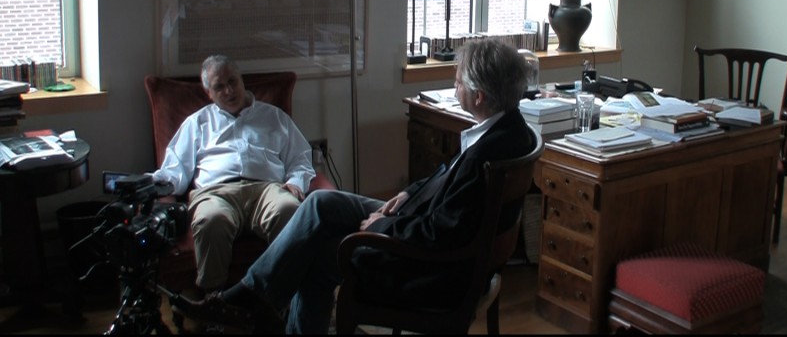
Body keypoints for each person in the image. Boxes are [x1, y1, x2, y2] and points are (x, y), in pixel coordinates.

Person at [176, 37, 538, 334]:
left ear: (480, 96)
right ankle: (252, 298)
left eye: (458, 82)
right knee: (321, 204)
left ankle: (250, 303)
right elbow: (445, 176)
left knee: (316, 259)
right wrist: (406, 193)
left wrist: (383, 226)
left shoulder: (487, 155)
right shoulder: (507, 130)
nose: (453, 86)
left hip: (428, 267)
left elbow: (442, 233)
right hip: (417, 219)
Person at [153, 54, 316, 294]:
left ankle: (284, 296)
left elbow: (301, 158)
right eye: (219, 86)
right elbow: (174, 170)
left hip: (267, 190)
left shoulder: (274, 116)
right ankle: (214, 301)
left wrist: (296, 182)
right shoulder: (197, 122)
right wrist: (150, 186)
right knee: (211, 220)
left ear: (241, 80)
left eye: (232, 82)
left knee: (288, 210)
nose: (229, 91)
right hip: (215, 193)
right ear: (209, 93)